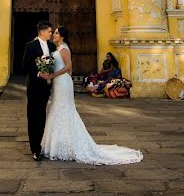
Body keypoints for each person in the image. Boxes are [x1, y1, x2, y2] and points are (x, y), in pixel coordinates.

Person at [40, 27, 142, 165]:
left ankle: (66, 145)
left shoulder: (64, 48)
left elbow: (69, 66)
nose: (54, 35)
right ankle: (57, 144)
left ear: (62, 36)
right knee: (57, 108)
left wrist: (53, 75)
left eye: (56, 33)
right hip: (59, 83)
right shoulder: (58, 49)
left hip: (63, 82)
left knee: (64, 109)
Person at [22, 21, 56, 161]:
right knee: (33, 115)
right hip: (34, 85)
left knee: (42, 114)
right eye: (49, 31)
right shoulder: (30, 46)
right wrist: (38, 73)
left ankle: (41, 143)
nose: (51, 34)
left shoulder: (52, 46)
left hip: (46, 86)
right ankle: (34, 148)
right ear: (42, 32)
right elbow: (25, 65)